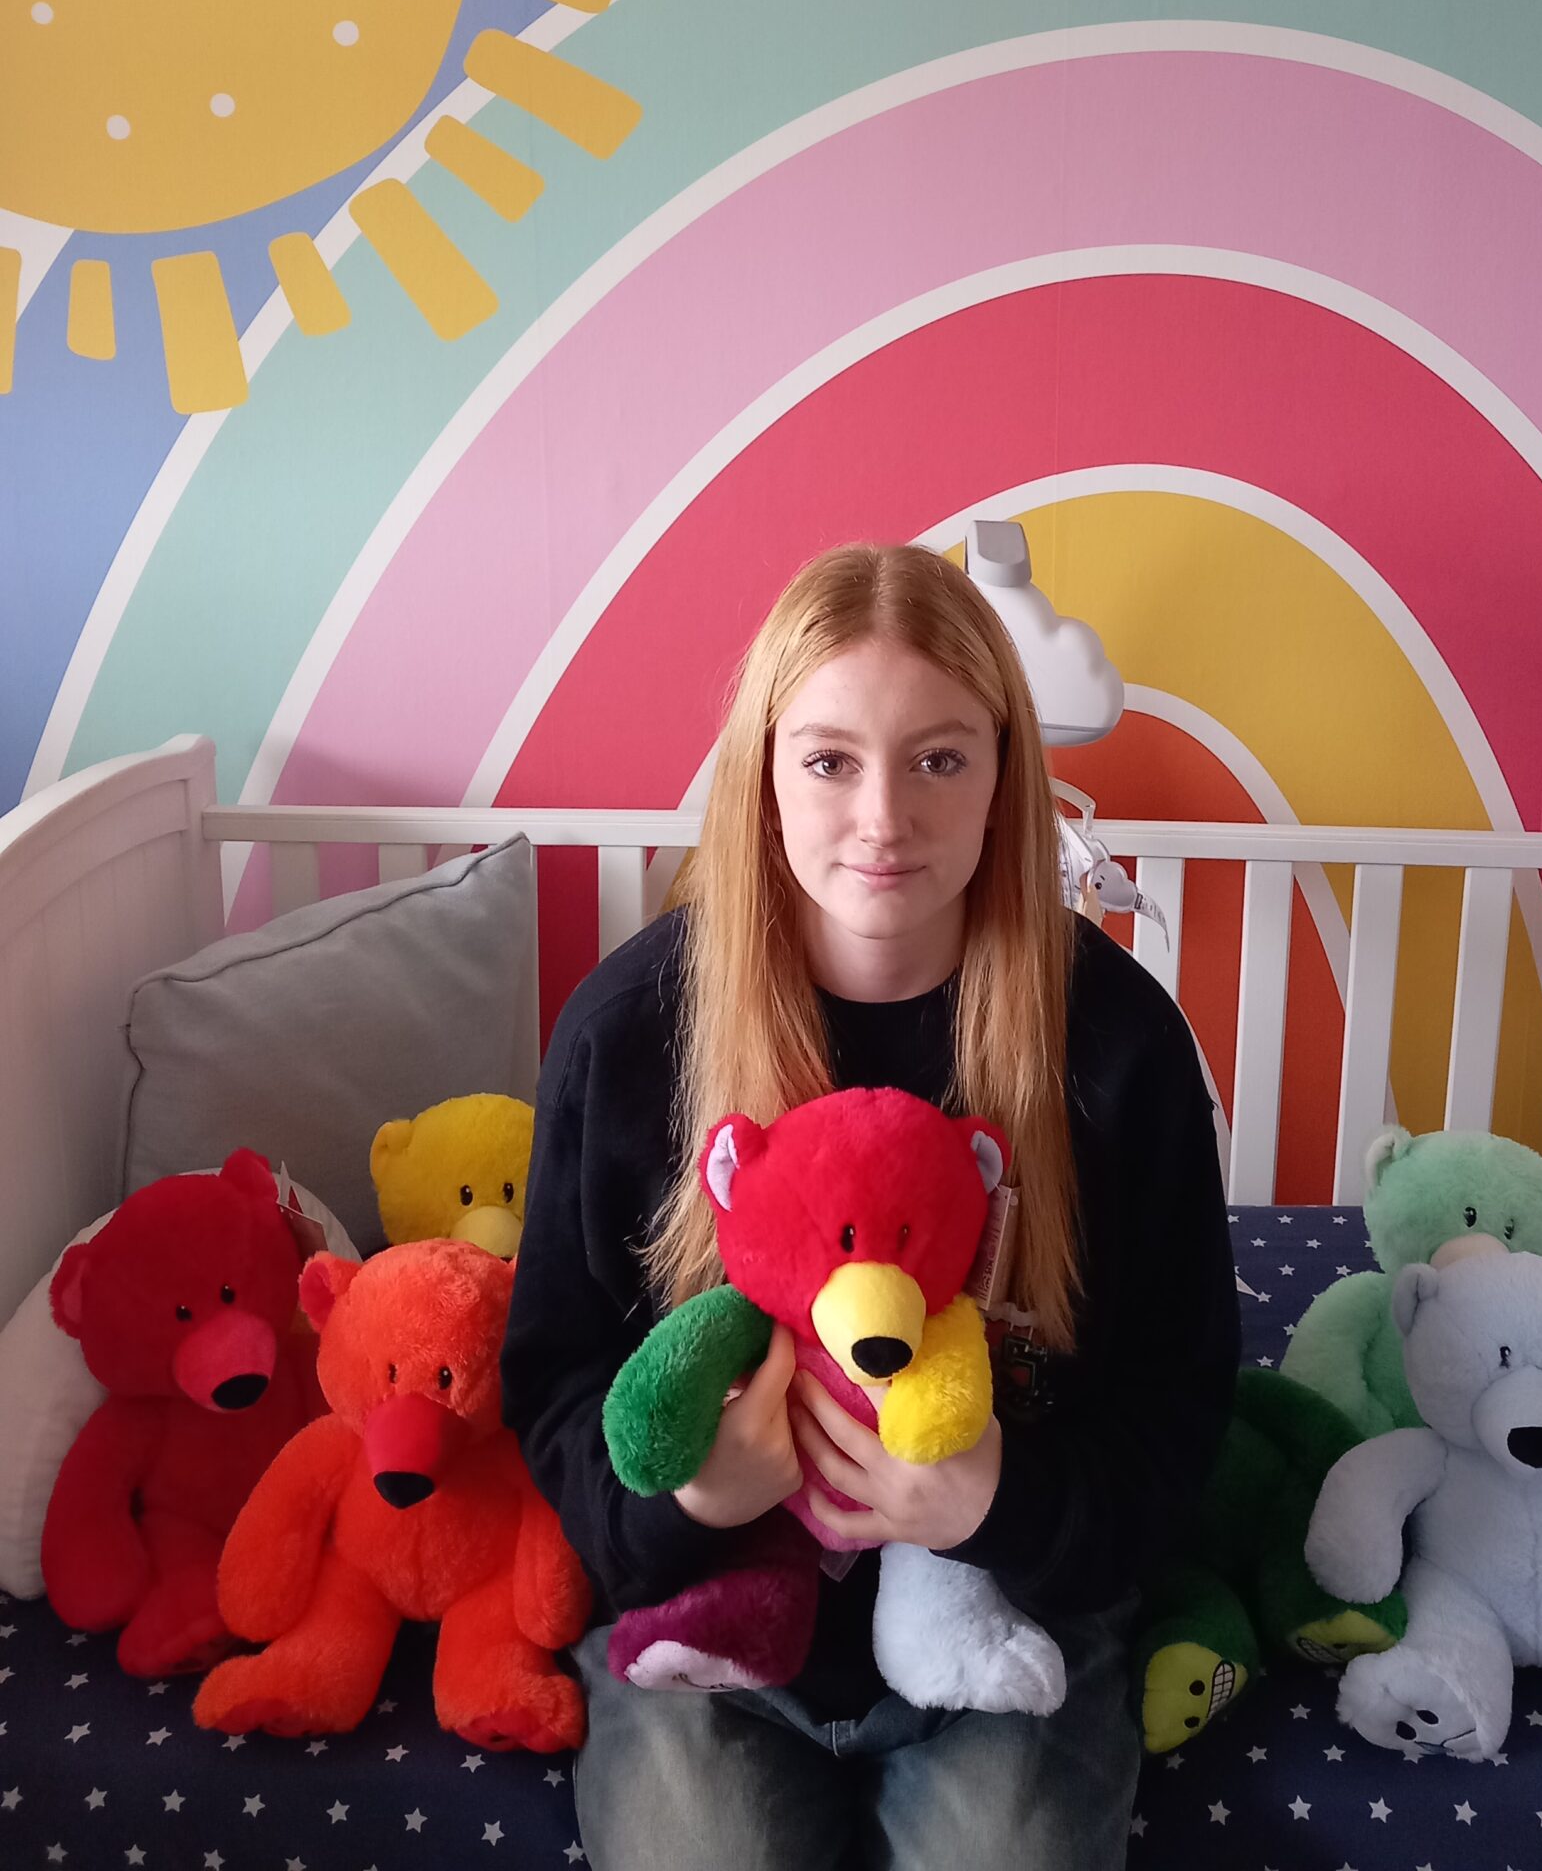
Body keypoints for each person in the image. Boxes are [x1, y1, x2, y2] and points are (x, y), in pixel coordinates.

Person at [502, 541, 1239, 1869]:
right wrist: (691, 1505)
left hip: (1011, 1620)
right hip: (702, 1622)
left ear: (1006, 773)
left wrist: (997, 1504)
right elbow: (553, 1380)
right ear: (765, 774)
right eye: (831, 759)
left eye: (939, 757)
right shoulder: (627, 1035)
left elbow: (1180, 1404)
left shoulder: (1116, 1046)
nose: (884, 816)